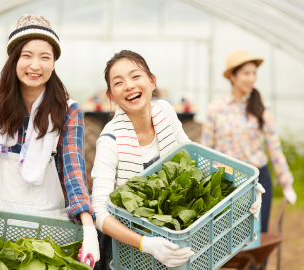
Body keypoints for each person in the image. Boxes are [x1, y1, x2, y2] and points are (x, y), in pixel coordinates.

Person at [0, 14, 99, 267]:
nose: (36, 65)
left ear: (54, 63)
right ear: (14, 60)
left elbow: (73, 172)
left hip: (50, 230)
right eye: (27, 55)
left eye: (45, 57)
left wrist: (89, 229)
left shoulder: (68, 110)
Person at [90, 50, 263, 269]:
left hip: (175, 242)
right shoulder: (110, 140)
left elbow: (193, 160)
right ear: (111, 96)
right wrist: (147, 244)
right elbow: (99, 213)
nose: (129, 85)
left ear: (152, 82)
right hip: (129, 250)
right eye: (118, 82)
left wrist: (242, 189)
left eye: (135, 76)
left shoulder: (165, 112)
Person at [201, 50, 297, 236]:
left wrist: (286, 182)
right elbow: (206, 149)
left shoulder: (261, 107)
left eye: (254, 73)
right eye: (246, 73)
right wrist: (204, 183)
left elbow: (273, 146)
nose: (252, 78)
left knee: (258, 235)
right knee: (228, 237)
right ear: (232, 76)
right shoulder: (216, 109)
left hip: (259, 180)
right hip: (226, 183)